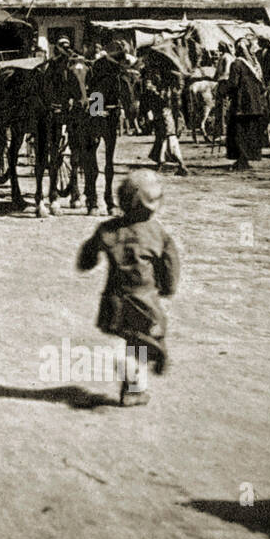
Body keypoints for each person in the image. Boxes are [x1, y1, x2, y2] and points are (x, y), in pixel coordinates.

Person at [77, 169, 179, 407]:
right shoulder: (158, 234)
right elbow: (170, 264)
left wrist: (88, 261)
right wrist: (168, 288)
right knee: (148, 337)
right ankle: (140, 372)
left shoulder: (108, 230)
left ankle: (134, 385)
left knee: (135, 341)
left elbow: (87, 257)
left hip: (114, 301)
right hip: (144, 301)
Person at [224, 37, 268, 171]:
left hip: (241, 105)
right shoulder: (255, 64)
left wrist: (223, 91)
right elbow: (262, 86)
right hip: (256, 105)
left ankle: (241, 161)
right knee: (251, 132)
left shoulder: (236, 64)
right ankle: (246, 159)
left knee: (239, 132)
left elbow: (233, 84)